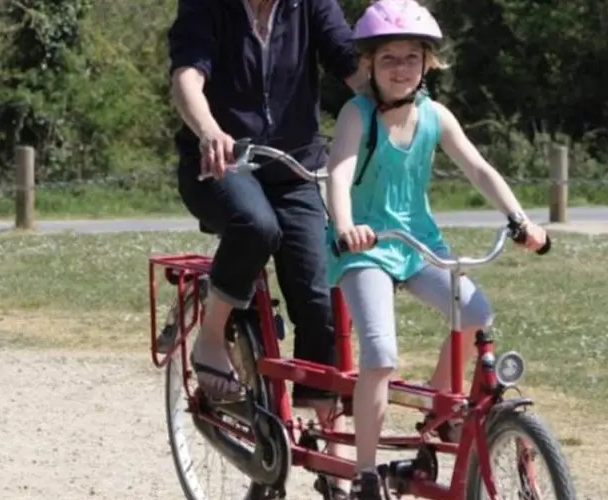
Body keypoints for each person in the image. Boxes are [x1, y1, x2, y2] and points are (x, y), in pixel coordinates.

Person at [322, 0, 550, 497]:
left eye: (411, 58)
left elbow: (479, 169)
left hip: (418, 244)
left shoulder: (434, 116)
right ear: (369, 65)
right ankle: (364, 474)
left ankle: (439, 408)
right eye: (388, 59)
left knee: (475, 311)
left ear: (427, 63)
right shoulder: (357, 114)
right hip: (365, 246)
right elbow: (338, 174)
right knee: (380, 354)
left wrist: (520, 220)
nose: (400, 68)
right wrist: (345, 226)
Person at [167, 0, 367, 497]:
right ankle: (211, 338)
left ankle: (328, 449)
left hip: (296, 167)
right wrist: (210, 130)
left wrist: (396, 83)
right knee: (255, 226)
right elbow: (187, 77)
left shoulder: (311, 5)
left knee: (320, 298)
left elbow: (351, 64)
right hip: (220, 164)